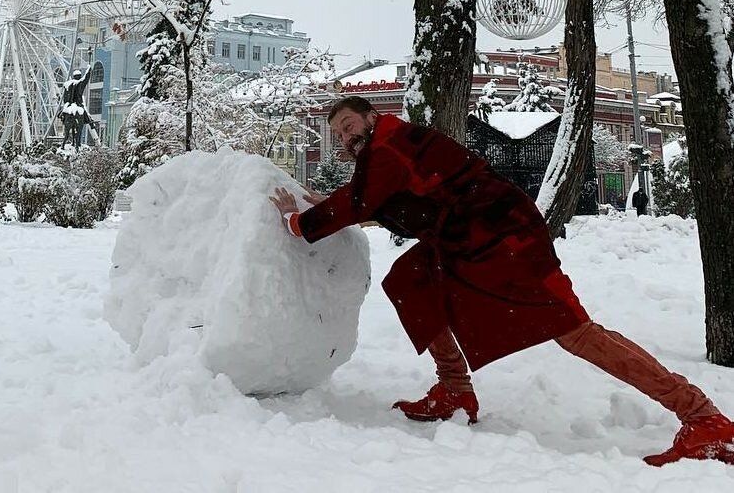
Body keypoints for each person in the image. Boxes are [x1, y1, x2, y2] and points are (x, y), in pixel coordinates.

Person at [270, 96, 733, 466]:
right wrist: (328, 202)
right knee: (410, 279)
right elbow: (378, 197)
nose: (345, 136)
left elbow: (361, 201)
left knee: (575, 332)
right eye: (338, 134)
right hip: (469, 240)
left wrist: (298, 223)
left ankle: (702, 416)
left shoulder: (388, 143)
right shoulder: (388, 149)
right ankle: (454, 389)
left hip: (507, 240)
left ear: (373, 117)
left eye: (349, 125)